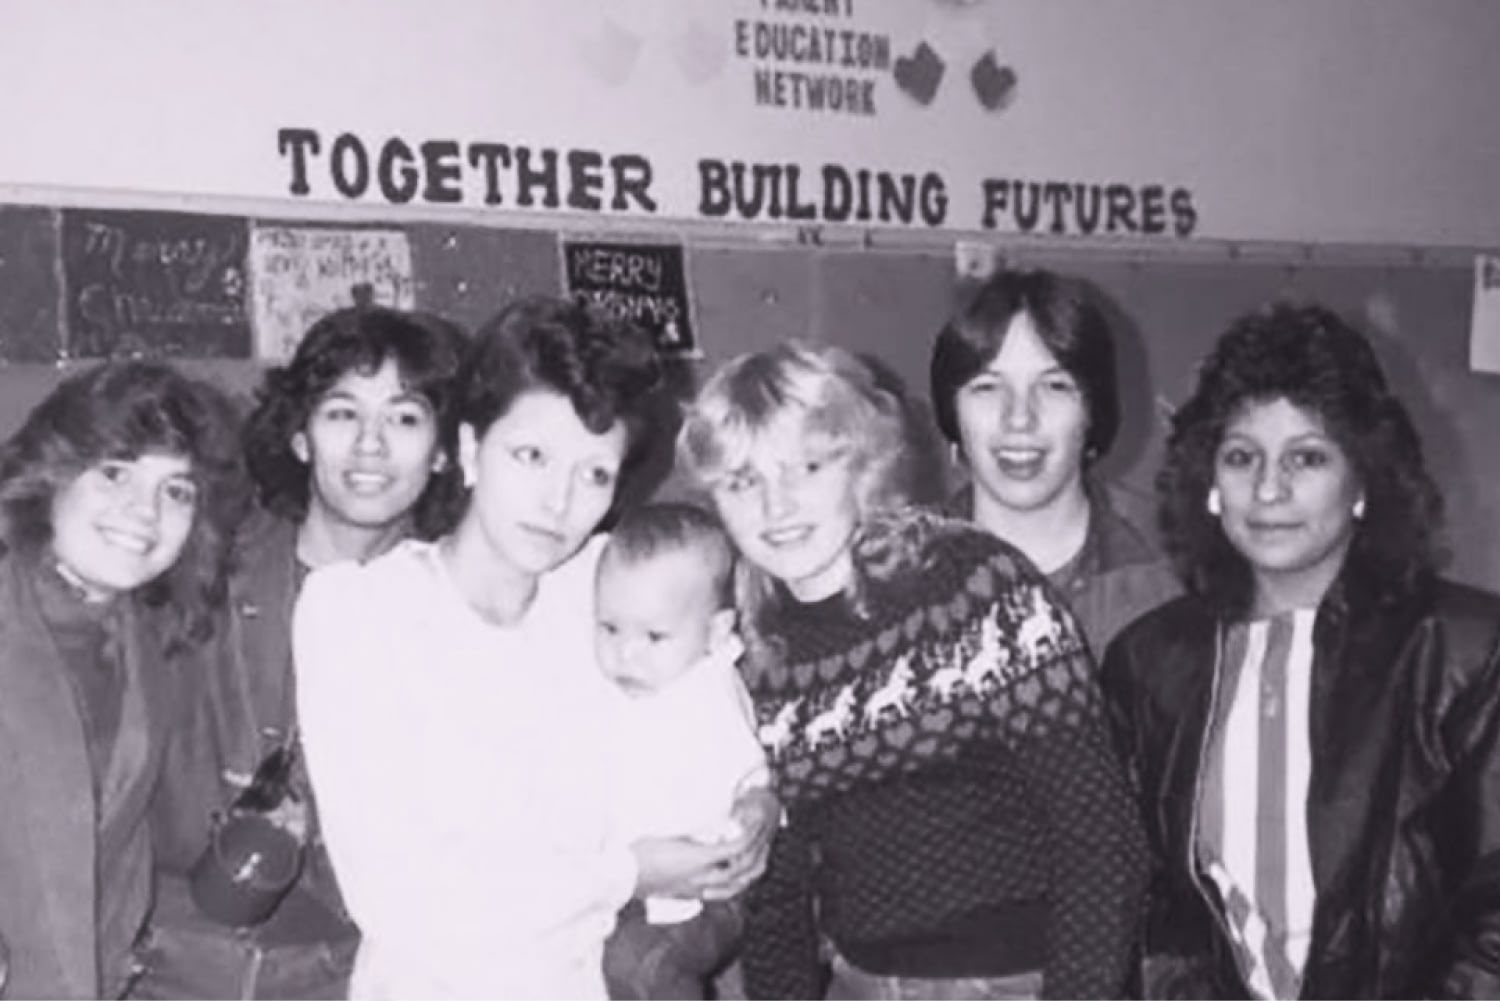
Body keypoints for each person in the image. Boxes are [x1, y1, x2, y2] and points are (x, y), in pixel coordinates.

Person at [292, 295, 779, 998]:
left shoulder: (606, 589)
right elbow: (401, 901)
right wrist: (629, 871)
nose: (559, 501)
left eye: (595, 475)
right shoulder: (359, 614)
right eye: (531, 455)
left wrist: (755, 799)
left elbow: (710, 697)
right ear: (466, 449)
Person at [677, 341, 1147, 1000]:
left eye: (807, 466)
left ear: (860, 464)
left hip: (1023, 981)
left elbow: (1098, 827)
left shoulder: (973, 583)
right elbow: (777, 898)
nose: (775, 506)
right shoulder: (751, 655)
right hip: (858, 982)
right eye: (742, 481)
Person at [1099, 302, 1500, 999]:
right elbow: (1145, 906)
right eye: (1241, 456)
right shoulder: (1149, 662)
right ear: (1210, 485)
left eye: (1306, 456)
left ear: (1364, 482)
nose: (1269, 488)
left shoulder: (1468, 650)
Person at [136, 306, 468, 999]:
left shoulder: (461, 613)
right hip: (164, 962)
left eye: (405, 418)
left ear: (443, 451)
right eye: (343, 412)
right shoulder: (196, 562)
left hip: (339, 971)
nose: (370, 445)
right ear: (299, 435)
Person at [0, 360, 245, 999]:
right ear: (50, 474)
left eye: (177, 490)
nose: (145, 510)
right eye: (115, 472)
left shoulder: (144, 643)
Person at [930, 268, 1179, 657]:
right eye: (987, 387)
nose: (1019, 417)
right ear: (952, 411)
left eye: (1054, 385)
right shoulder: (895, 582)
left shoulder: (1172, 577)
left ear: (1092, 409)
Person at [594, 501, 769, 1001]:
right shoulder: (624, 680)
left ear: (715, 633)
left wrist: (750, 811)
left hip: (706, 890)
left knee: (640, 964)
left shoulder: (707, 692)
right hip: (631, 883)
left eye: (653, 636)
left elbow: (749, 783)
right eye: (609, 627)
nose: (625, 653)